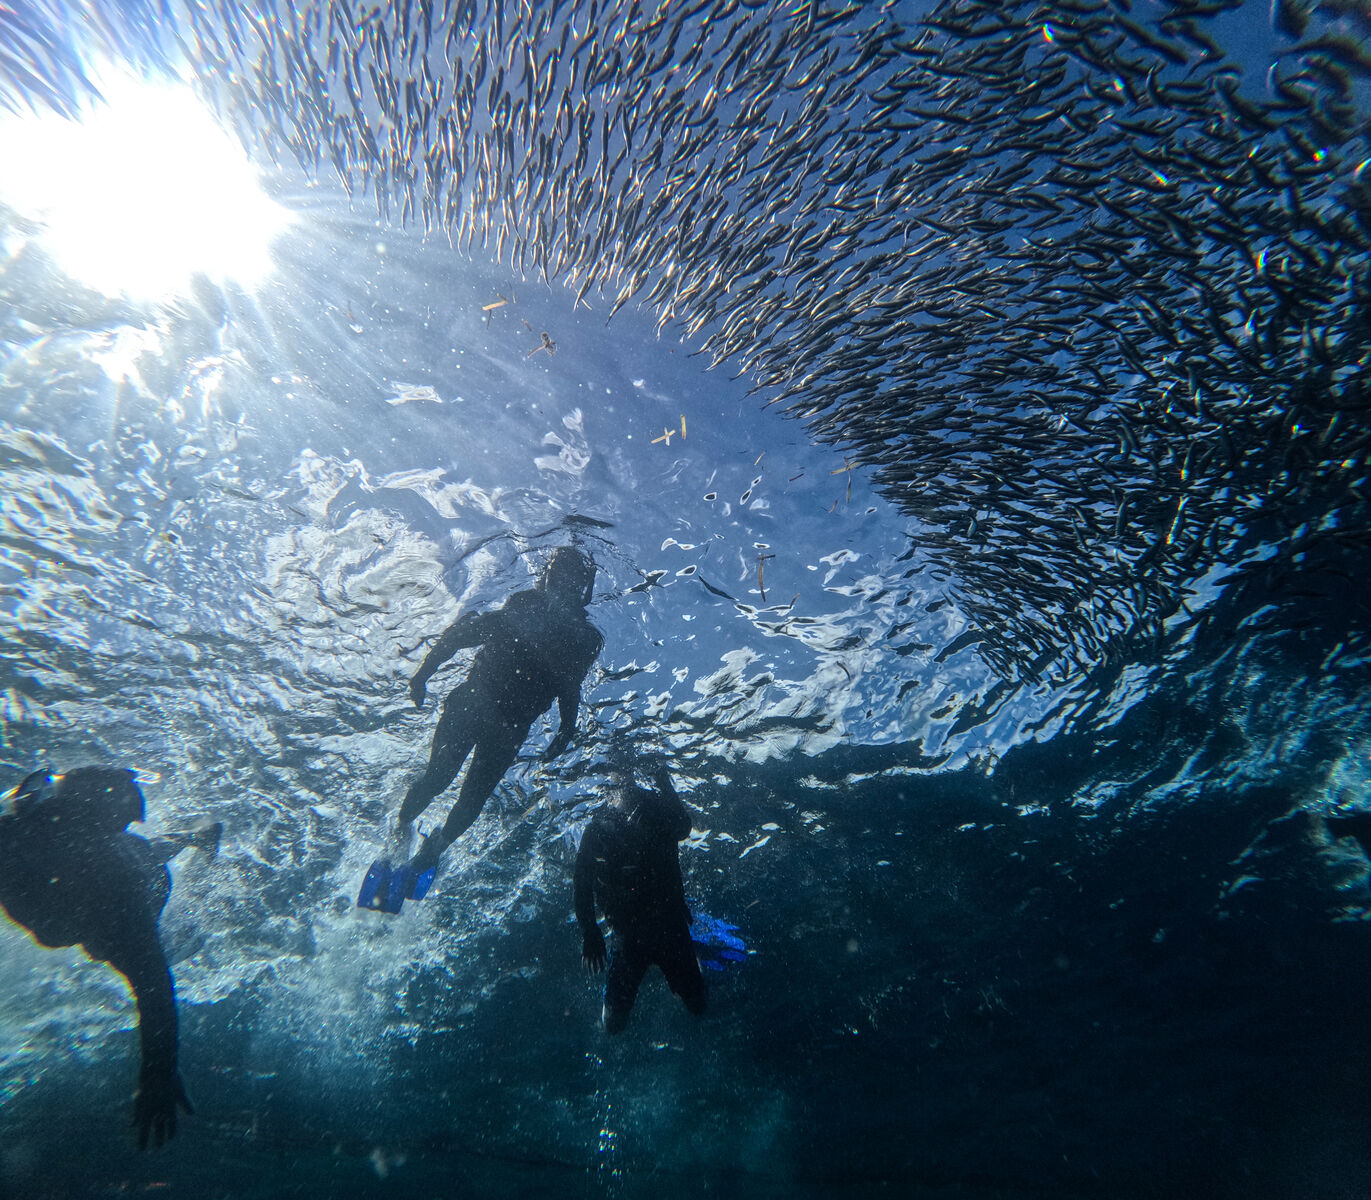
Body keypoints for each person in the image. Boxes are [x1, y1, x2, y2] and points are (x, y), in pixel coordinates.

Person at [358, 545, 602, 913]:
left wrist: (567, 727)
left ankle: (431, 849)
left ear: (581, 587)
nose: (559, 582)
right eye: (555, 573)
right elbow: (463, 635)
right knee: (438, 777)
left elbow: (571, 685)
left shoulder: (583, 639)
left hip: (510, 726)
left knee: (472, 798)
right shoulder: (522, 607)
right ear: (548, 577)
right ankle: (400, 835)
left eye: (568, 577)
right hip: (472, 704)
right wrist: (423, 673)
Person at [0, 765, 217, 1149]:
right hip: (100, 883)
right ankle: (195, 835)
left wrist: (158, 1071)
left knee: (153, 862)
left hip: (139, 888)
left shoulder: (115, 884)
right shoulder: (15, 832)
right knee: (148, 852)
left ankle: (197, 835)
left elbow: (155, 986)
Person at [574, 765, 707, 1033]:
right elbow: (582, 881)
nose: (624, 783)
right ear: (609, 786)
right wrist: (589, 929)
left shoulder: (655, 806)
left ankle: (697, 963)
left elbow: (683, 827)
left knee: (699, 1007)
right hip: (627, 933)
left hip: (669, 925)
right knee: (612, 1024)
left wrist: (663, 783)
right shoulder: (599, 826)